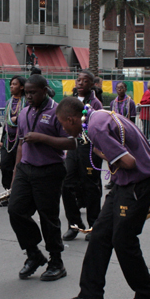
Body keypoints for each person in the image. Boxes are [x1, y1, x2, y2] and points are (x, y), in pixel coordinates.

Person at [56, 97, 150, 299]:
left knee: (123, 239)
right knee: (100, 236)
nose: (64, 129)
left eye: (63, 124)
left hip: (139, 182)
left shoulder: (96, 128)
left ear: (71, 118)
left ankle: (147, 293)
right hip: (124, 183)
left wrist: (100, 153)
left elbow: (128, 162)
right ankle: (90, 297)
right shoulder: (97, 116)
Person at [8, 74, 76, 281]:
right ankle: (33, 254)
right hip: (26, 169)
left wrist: (42, 138)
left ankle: (56, 261)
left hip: (49, 170)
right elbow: (21, 143)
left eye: (32, 92)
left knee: (49, 217)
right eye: (26, 92)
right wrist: (15, 171)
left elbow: (71, 142)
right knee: (15, 210)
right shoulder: (24, 112)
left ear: (44, 90)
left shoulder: (58, 112)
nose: (28, 96)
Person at [62, 70, 104, 241]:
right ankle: (74, 224)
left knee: (90, 186)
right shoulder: (70, 101)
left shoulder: (96, 103)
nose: (80, 83)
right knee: (66, 185)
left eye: (85, 81)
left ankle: (94, 225)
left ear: (91, 84)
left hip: (90, 148)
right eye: (78, 80)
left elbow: (99, 126)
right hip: (72, 147)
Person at [0, 75, 26, 197]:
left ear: (21, 87)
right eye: (11, 84)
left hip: (20, 139)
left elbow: (28, 117)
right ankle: (8, 189)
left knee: (18, 166)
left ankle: (16, 192)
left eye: (14, 84)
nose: (11, 86)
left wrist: (18, 118)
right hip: (8, 139)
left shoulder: (26, 102)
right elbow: (6, 122)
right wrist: (1, 139)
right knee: (4, 165)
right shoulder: (9, 102)